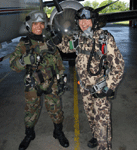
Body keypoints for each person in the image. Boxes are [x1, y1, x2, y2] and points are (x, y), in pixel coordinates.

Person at [57, 6, 125, 150]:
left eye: (87, 19)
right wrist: (57, 40)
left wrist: (108, 87)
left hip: (100, 90)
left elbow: (118, 66)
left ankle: (103, 146)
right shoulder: (79, 38)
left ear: (93, 21)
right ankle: (95, 136)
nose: (84, 23)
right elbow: (67, 47)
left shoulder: (105, 39)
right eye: (81, 20)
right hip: (85, 89)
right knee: (91, 116)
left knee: (102, 123)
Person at [9, 10, 69, 150]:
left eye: (41, 24)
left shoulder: (50, 42)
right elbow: (13, 65)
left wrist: (61, 79)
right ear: (30, 25)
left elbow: (58, 62)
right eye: (35, 24)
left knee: (56, 110)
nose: (39, 27)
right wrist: (24, 61)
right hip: (33, 84)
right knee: (31, 111)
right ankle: (29, 134)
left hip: (51, 82)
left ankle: (58, 132)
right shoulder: (24, 43)